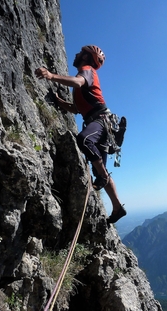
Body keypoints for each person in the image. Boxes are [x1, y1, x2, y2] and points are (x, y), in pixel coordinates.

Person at [35, 45, 126, 224]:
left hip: (100, 121)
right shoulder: (83, 85)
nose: (76, 54)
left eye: (81, 53)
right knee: (100, 169)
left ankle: (103, 177)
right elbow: (76, 109)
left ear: (87, 58)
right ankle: (117, 207)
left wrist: (51, 76)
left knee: (84, 140)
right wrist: (59, 101)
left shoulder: (86, 70)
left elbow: (78, 82)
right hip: (101, 123)